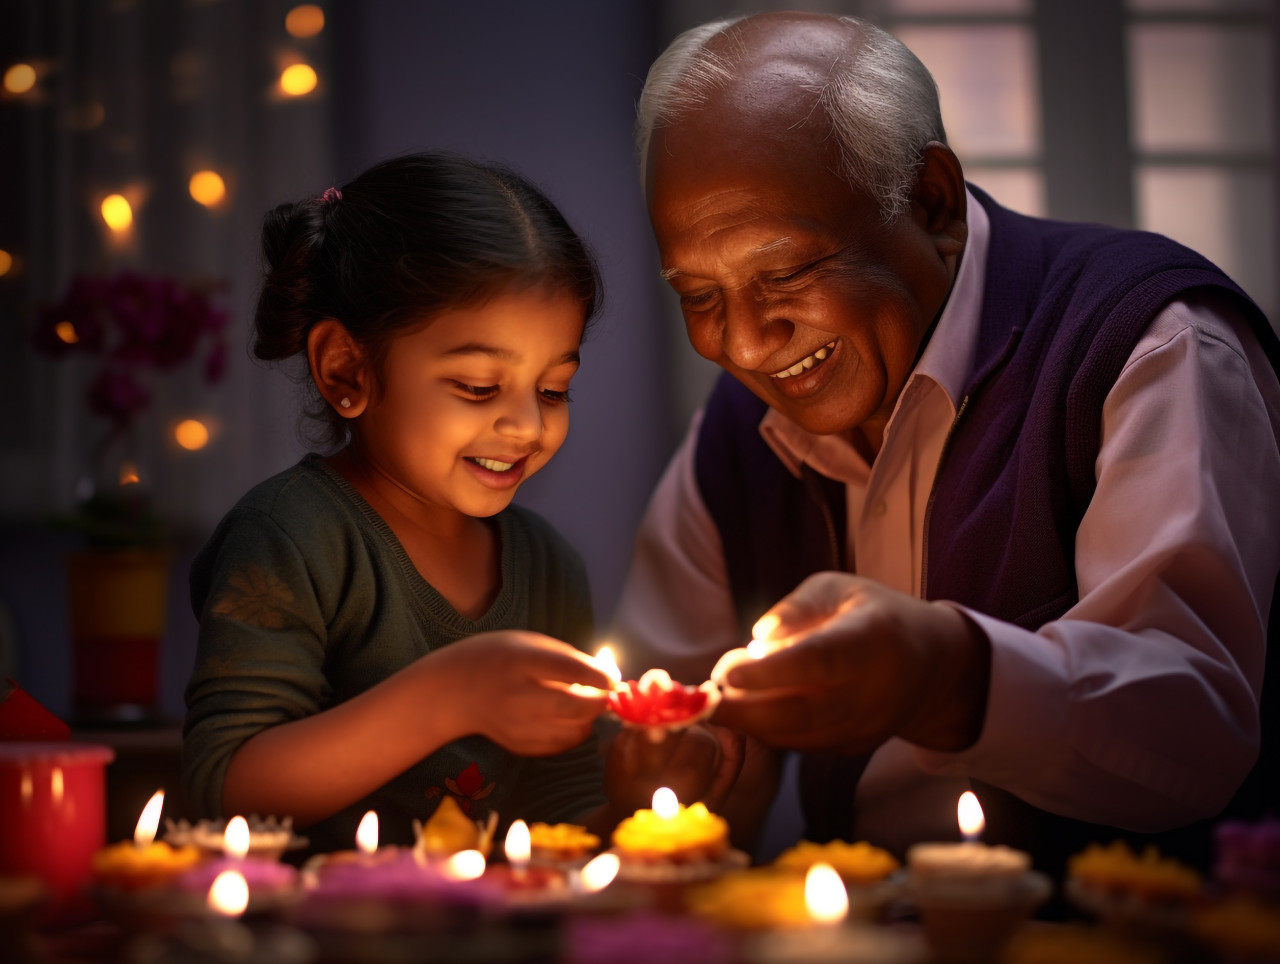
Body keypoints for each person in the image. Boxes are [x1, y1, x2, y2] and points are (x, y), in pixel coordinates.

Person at [611, 11, 1280, 880]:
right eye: (699, 295)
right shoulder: (739, 435)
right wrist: (688, 778)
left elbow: (1196, 726)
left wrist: (949, 675)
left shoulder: (1152, 342)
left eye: (784, 273)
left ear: (932, 201)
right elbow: (681, 746)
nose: (741, 346)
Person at [183, 151, 727, 855]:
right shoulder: (292, 535)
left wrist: (633, 798)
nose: (528, 427)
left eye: (554, 389)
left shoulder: (546, 566)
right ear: (346, 369)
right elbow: (222, 787)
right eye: (477, 387)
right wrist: (451, 696)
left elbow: (555, 811)